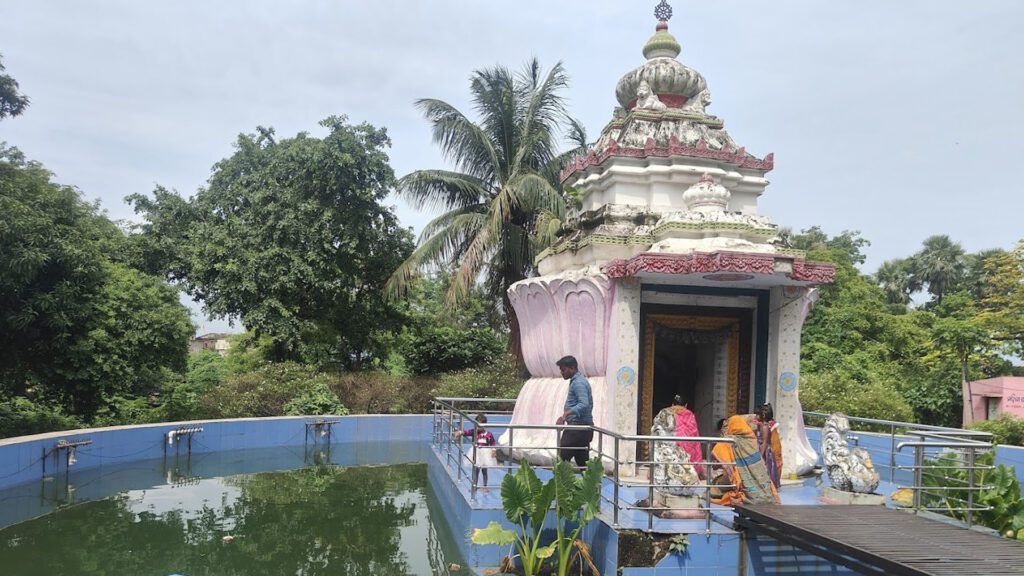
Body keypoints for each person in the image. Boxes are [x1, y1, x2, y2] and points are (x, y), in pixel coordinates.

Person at [710, 415, 779, 505]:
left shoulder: (729, 441)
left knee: (714, 486)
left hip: (741, 484)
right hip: (764, 488)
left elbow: (717, 461)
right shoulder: (751, 440)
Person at [555, 355, 594, 468]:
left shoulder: (578, 383)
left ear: (572, 368)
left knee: (562, 462)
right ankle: (591, 485)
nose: (562, 373)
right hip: (582, 429)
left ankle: (561, 485)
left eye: (563, 370)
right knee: (582, 462)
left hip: (577, 429)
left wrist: (566, 414)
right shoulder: (578, 381)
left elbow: (584, 403)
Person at [461, 414, 497, 487]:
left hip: (485, 454)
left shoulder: (489, 434)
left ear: (484, 425)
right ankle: (475, 485)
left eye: (480, 425)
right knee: (476, 471)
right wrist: (460, 432)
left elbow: (492, 442)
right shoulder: (473, 431)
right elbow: (466, 432)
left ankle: (485, 486)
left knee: (484, 471)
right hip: (476, 453)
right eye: (477, 425)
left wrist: (493, 450)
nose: (478, 427)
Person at [752, 403, 783, 488]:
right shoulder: (761, 426)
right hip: (763, 450)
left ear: (763, 415)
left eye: (757, 414)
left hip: (765, 452)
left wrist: (760, 456)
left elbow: (765, 442)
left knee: (766, 472)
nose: (756, 416)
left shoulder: (765, 427)